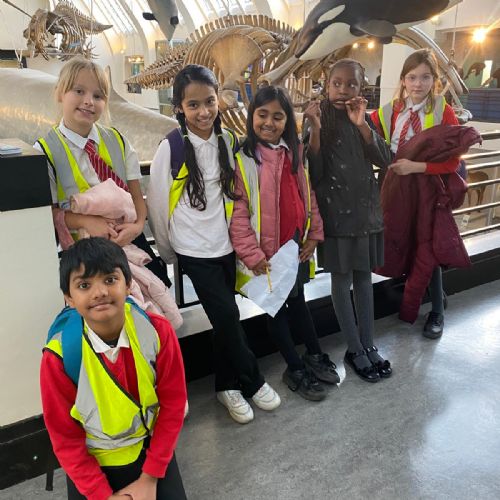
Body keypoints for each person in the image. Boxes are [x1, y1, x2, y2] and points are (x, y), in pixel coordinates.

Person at [147, 64, 280, 423]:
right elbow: (157, 203)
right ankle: (253, 380)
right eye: (193, 105)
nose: (203, 111)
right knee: (227, 315)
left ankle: (226, 386)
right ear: (179, 107)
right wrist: (168, 251)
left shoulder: (228, 141)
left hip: (226, 247)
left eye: (209, 101)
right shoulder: (171, 147)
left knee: (225, 319)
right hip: (193, 251)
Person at [41, 237, 187, 499]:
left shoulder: (156, 331)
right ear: (69, 298)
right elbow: (64, 437)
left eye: (110, 279)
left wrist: (150, 477)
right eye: (84, 285)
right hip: (93, 467)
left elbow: (173, 404)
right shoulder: (59, 356)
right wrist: (102, 495)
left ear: (128, 284)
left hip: (150, 453)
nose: (99, 292)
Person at [229, 85, 339, 401]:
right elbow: (238, 211)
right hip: (268, 253)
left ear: (287, 120)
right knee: (276, 311)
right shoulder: (244, 159)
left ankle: (314, 354)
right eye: (262, 114)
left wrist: (314, 234)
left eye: (277, 117)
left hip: (295, 246)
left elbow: (308, 195)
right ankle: (295, 367)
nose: (269, 122)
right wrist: (251, 254)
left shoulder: (295, 152)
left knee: (299, 301)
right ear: (252, 116)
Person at [35, 56, 170, 287]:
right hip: (83, 252)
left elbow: (136, 196)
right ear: (60, 93)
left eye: (98, 96)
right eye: (79, 91)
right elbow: (50, 212)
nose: (89, 101)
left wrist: (137, 226)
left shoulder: (119, 141)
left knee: (154, 291)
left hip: (127, 239)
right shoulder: (44, 151)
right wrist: (86, 222)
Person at [304, 59, 393, 383]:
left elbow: (386, 159)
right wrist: (314, 130)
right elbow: (314, 173)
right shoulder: (317, 118)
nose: (343, 90)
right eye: (337, 83)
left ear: (361, 87)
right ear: (327, 86)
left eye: (351, 84)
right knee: (341, 283)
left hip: (366, 215)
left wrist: (362, 125)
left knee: (364, 280)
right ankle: (354, 349)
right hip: (336, 218)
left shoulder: (363, 118)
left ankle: (368, 344)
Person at [370, 48, 461, 339]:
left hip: (429, 190)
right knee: (403, 242)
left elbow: (453, 161)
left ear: (434, 80)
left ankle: (437, 312)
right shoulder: (389, 111)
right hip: (396, 191)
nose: (418, 84)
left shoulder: (443, 112)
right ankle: (422, 294)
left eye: (425, 77)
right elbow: (369, 139)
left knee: (427, 248)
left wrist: (417, 167)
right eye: (412, 77)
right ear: (403, 79)